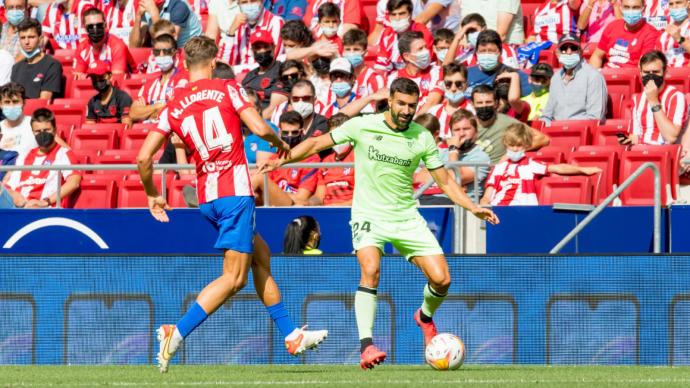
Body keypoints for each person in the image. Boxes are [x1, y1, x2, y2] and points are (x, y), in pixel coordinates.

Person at [259, 77, 499, 369]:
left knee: (442, 279)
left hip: (406, 216)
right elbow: (317, 142)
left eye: (412, 105)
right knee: (370, 269)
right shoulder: (363, 125)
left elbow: (445, 181)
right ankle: (366, 346)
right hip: (368, 214)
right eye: (401, 104)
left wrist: (473, 207)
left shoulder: (422, 137)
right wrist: (281, 161)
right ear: (391, 101)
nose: (407, 110)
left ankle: (424, 317)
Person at [136, 36, 327, 373]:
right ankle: (174, 333)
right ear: (213, 63)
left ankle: (291, 334)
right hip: (234, 193)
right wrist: (278, 141)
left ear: (184, 64)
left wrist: (153, 193)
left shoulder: (173, 104)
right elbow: (256, 126)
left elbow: (142, 158)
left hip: (207, 197)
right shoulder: (228, 88)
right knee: (234, 278)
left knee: (260, 256)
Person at [481, 123, 601, 206]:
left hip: (525, 210)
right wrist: (484, 203)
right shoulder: (499, 168)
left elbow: (558, 168)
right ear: (505, 144)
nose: (516, 149)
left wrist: (584, 170)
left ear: (527, 145)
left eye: (519, 145)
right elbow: (488, 194)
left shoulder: (530, 165)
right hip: (500, 209)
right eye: (512, 145)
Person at [2, 108, 82, 209]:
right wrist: (16, 198)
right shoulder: (24, 156)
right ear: (32, 132)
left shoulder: (64, 153)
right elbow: (9, 186)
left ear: (55, 130)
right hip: (17, 207)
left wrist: (45, 201)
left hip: (44, 209)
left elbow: (74, 182)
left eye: (47, 130)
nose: (42, 134)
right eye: (38, 131)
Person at [620, 50, 687, 146]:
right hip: (641, 151)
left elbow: (671, 137)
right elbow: (635, 136)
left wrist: (653, 101)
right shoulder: (637, 99)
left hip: (663, 153)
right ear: (641, 73)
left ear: (665, 72)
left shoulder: (676, 97)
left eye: (655, 72)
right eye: (646, 72)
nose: (651, 76)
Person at [472, 84, 550, 164]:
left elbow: (543, 139)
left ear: (496, 103)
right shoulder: (466, 124)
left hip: (496, 170)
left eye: (488, 102)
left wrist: (513, 152)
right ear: (472, 104)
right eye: (479, 103)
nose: (484, 106)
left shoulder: (506, 122)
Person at [540, 34, 607, 124]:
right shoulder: (556, 78)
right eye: (564, 48)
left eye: (573, 48)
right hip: (556, 132)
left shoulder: (593, 76)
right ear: (557, 53)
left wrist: (566, 128)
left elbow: (595, 118)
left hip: (581, 132)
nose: (569, 52)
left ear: (580, 51)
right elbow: (547, 115)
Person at [130, 34, 189, 123]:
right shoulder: (149, 84)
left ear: (175, 52)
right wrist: (157, 106)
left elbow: (175, 111)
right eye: (157, 52)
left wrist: (146, 111)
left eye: (166, 52)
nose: (161, 55)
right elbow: (133, 114)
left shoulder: (183, 80)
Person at [589, 0, 660, 68]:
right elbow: (597, 56)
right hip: (607, 75)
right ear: (621, 8)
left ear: (644, 8)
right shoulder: (612, 27)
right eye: (626, 7)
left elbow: (645, 67)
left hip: (631, 77)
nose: (631, 11)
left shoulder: (651, 33)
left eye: (635, 7)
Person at [386, 30, 443, 114]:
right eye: (420, 49)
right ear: (407, 56)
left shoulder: (437, 72)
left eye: (425, 47)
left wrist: (413, 123)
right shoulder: (393, 78)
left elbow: (432, 102)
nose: (426, 51)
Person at [466, 30, 532, 98]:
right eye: (483, 51)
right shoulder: (466, 74)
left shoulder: (515, 75)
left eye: (491, 51)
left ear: (500, 52)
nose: (487, 54)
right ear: (476, 52)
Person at [374, 0, 433, 72]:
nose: (397, 18)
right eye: (393, 14)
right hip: (395, 77)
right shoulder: (387, 34)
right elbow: (381, 66)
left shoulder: (422, 33)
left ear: (410, 14)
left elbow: (424, 64)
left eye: (402, 14)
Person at [11, 19, 63, 100]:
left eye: (31, 37)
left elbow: (44, 101)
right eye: (23, 38)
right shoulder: (16, 67)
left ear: (40, 39)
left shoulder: (52, 65)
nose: (26, 42)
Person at [310, 113, 355, 206]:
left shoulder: (358, 158)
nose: (338, 140)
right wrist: (307, 203)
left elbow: (363, 198)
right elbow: (319, 197)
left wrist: (338, 207)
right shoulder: (326, 162)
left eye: (341, 135)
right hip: (328, 211)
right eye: (333, 136)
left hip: (349, 211)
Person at [446, 13, 520, 69]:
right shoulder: (469, 52)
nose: (471, 34)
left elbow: (513, 72)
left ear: (484, 29)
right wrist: (457, 38)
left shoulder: (504, 49)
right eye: (467, 32)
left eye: (473, 30)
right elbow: (446, 68)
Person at [74, 7, 132, 78]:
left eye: (99, 25)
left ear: (105, 25)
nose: (95, 29)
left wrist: (88, 77)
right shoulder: (82, 47)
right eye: (90, 26)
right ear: (85, 28)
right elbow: (76, 78)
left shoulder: (117, 46)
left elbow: (117, 79)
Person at [241, 30, 289, 114]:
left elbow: (273, 109)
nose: (262, 51)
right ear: (252, 50)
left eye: (265, 46)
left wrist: (255, 123)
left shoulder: (282, 71)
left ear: (273, 47)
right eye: (258, 47)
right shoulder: (249, 76)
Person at [427, 63, 474, 140]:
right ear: (443, 85)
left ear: (466, 85)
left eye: (458, 84)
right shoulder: (433, 112)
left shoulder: (472, 112)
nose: (453, 88)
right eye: (448, 84)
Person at [131, 0, 202, 47]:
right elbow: (133, 47)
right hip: (166, 55)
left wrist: (154, 13)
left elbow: (167, 44)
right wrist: (138, 17)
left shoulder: (179, 5)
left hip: (191, 51)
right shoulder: (147, 5)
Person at [85, 62, 133, 126]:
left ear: (110, 76)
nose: (97, 80)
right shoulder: (92, 101)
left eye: (100, 76)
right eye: (93, 78)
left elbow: (126, 127)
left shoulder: (122, 98)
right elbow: (89, 128)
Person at [0, 83, 37, 156]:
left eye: (15, 101)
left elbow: (62, 150)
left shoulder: (36, 124)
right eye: (7, 102)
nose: (11, 106)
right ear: (0, 104)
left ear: (23, 102)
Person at [658, 0, 690, 67]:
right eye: (671, 4)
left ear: (688, 3)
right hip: (666, 73)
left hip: (685, 74)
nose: (674, 7)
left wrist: (680, 39)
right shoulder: (664, 27)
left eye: (679, 2)